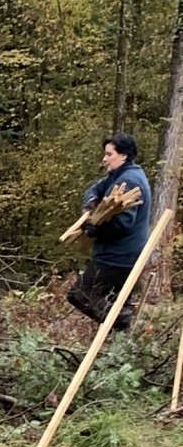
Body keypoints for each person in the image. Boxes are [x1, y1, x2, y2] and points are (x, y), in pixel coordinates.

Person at [67, 133, 152, 332]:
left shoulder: (129, 181)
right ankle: (122, 344)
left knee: (80, 293)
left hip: (118, 258)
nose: (104, 159)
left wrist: (96, 229)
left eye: (109, 154)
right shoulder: (119, 176)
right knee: (114, 301)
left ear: (124, 155)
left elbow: (123, 223)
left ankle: (122, 321)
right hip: (124, 256)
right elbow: (94, 189)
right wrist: (91, 203)